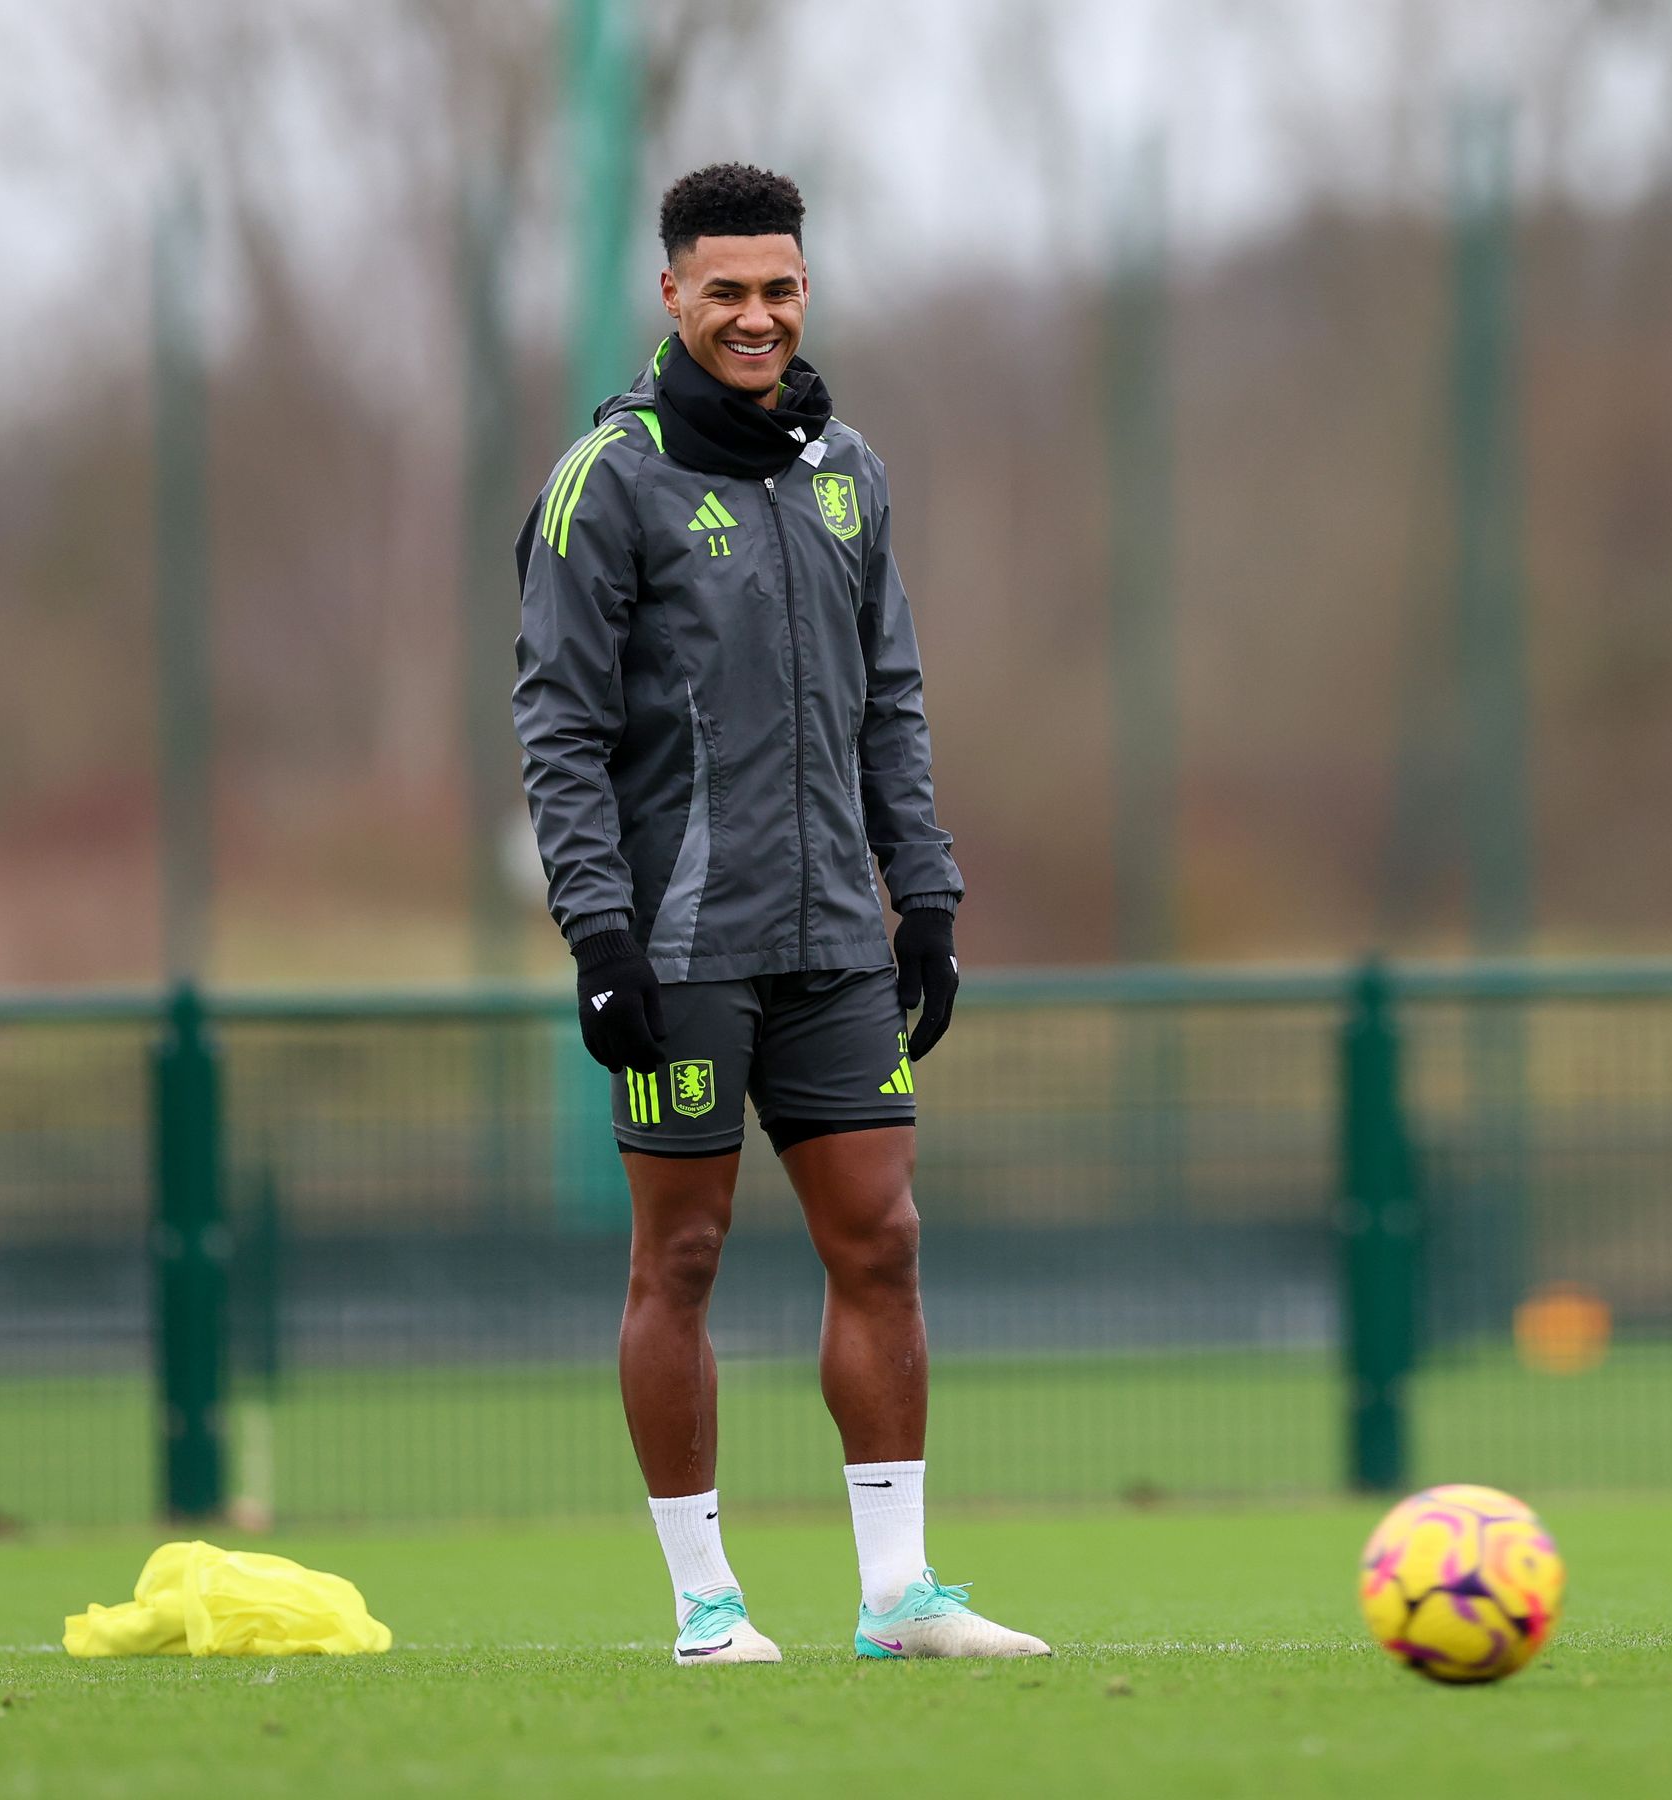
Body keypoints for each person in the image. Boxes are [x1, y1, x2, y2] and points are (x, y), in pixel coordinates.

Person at [513, 162, 1049, 1665]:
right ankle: (704, 1604)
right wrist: (599, 938)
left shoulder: (849, 470)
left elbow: (890, 698)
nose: (757, 316)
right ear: (673, 296)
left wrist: (922, 898)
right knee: (677, 1263)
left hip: (833, 941)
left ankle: (899, 1597)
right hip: (679, 952)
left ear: (802, 291)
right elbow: (557, 728)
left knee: (879, 1241)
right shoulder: (603, 482)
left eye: (781, 289)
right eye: (727, 291)